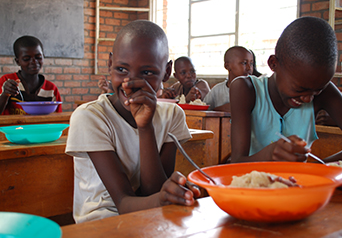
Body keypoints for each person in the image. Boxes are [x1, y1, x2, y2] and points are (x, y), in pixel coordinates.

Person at [65, 20, 200, 224]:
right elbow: (123, 203)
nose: (131, 83)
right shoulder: (90, 117)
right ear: (110, 64)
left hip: (151, 220)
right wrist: (163, 199)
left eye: (147, 73)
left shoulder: (172, 114)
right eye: (121, 69)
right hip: (100, 225)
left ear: (166, 71)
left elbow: (154, 191)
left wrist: (145, 127)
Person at [228, 16, 342, 164]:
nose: (308, 99)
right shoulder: (246, 89)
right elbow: (237, 162)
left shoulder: (325, 92)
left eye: (317, 91)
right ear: (274, 64)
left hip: (301, 185)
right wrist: (270, 154)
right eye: (299, 89)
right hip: (249, 184)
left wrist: (319, 166)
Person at [0, 35, 62, 115]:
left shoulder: (51, 89)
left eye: (38, 57)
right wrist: (5, 94)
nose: (34, 62)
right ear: (18, 61)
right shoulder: (7, 81)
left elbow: (58, 119)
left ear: (43, 57)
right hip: (11, 127)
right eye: (26, 59)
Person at [203, 46, 253, 111]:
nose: (249, 68)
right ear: (227, 66)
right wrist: (220, 109)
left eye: (251, 63)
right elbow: (204, 111)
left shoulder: (254, 90)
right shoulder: (217, 91)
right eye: (244, 63)